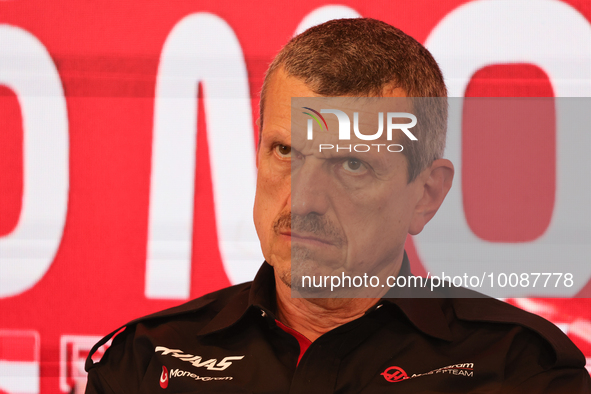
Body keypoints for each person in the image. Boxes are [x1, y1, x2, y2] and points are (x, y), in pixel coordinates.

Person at [84, 18, 591, 393]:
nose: (304, 200)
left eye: (351, 165)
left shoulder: (522, 369)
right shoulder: (145, 362)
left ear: (427, 194)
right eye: (285, 152)